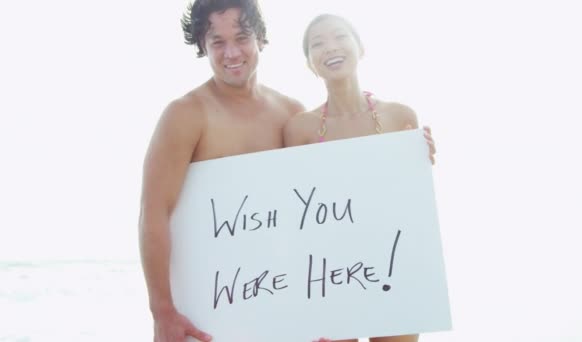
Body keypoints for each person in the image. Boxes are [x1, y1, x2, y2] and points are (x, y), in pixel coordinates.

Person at [138, 1, 305, 341]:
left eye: (242, 37)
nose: (231, 53)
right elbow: (153, 213)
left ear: (261, 38)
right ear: (203, 46)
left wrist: (412, 149)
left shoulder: (291, 113)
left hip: (280, 305)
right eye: (217, 42)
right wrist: (163, 311)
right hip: (207, 315)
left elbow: (327, 203)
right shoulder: (186, 114)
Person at [283, 14, 436, 342]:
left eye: (339, 37)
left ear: (360, 47)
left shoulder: (400, 116)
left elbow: (412, 203)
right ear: (309, 63)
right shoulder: (300, 129)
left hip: (395, 266)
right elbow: (295, 214)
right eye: (317, 44)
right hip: (329, 275)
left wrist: (425, 159)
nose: (330, 48)